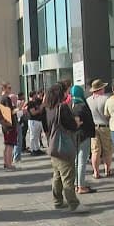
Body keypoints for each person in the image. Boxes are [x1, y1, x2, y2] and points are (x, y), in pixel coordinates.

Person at [45, 82, 89, 213]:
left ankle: (57, 201)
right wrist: (77, 122)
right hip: (63, 147)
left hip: (53, 147)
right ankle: (74, 204)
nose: (67, 94)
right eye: (66, 91)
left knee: (57, 175)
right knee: (68, 177)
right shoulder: (62, 108)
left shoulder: (50, 108)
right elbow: (72, 126)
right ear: (61, 93)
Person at [70, 85, 96, 194]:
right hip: (83, 135)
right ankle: (81, 186)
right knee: (82, 161)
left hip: (75, 136)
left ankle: (76, 184)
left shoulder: (72, 105)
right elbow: (78, 121)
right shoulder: (81, 106)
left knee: (76, 161)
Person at [0, 82, 18, 170]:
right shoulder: (6, 98)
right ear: (4, 88)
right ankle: (9, 164)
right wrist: (19, 109)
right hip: (9, 125)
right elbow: (9, 112)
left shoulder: (2, 98)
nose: (10, 90)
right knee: (10, 145)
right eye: (9, 88)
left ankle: (6, 163)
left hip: (5, 125)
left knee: (7, 145)